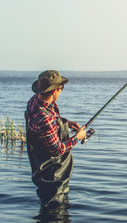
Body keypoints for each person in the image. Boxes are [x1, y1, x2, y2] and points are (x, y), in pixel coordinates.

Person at [25, 70, 86, 208]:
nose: (61, 91)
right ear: (54, 91)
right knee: (55, 212)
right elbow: (57, 150)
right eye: (61, 89)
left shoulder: (34, 100)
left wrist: (66, 123)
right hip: (52, 176)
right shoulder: (44, 118)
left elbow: (51, 120)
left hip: (43, 172)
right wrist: (77, 137)